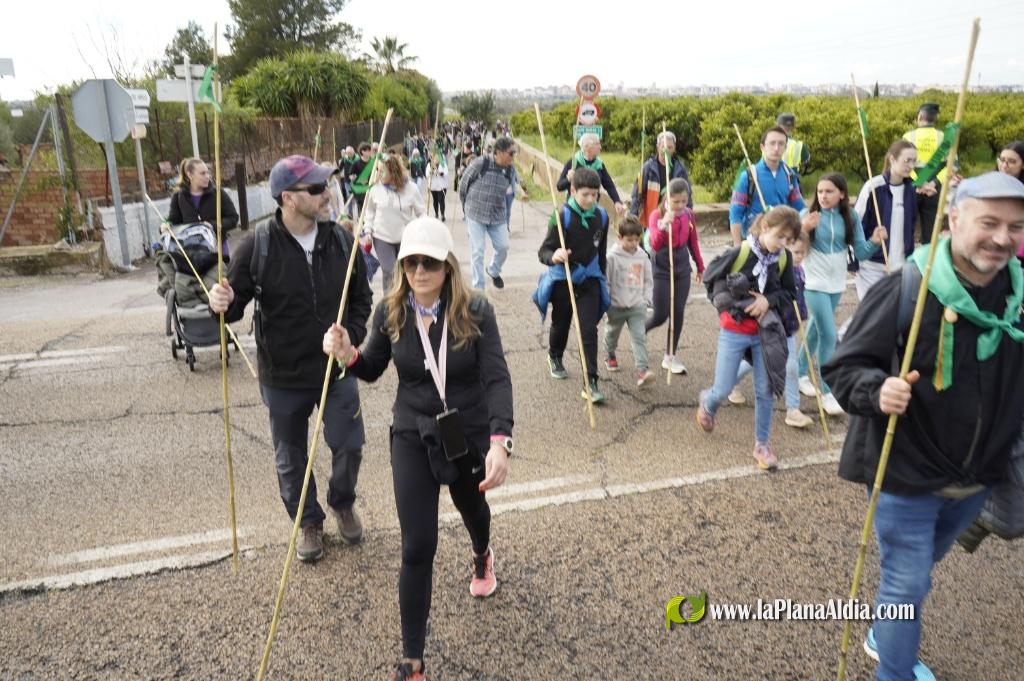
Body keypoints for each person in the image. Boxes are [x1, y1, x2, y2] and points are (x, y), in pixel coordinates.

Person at [822, 172, 1024, 681]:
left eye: (1016, 227)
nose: (1003, 238)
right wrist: (877, 390)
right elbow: (843, 368)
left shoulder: (1019, 297)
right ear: (954, 219)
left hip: (979, 479)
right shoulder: (907, 285)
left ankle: (883, 628)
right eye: (990, 222)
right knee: (907, 585)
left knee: (914, 572)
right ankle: (893, 668)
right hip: (906, 476)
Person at [322, 217, 513, 681]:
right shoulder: (390, 312)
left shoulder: (477, 310)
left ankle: (482, 552)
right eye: (411, 262)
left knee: (474, 511)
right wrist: (347, 354)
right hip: (412, 430)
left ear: (447, 267)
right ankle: (412, 659)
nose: (419, 271)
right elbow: (369, 368)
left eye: (429, 262)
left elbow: (496, 378)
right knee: (417, 545)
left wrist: (500, 441)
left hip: (466, 430)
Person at [207, 155, 373, 562]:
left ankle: (342, 500)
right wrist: (219, 302)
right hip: (282, 375)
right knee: (291, 458)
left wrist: (352, 336)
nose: (327, 193)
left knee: (349, 445)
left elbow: (361, 299)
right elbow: (233, 305)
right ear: (289, 199)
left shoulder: (341, 241)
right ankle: (309, 522)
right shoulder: (257, 246)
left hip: (335, 369)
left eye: (326, 185)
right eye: (316, 189)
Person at [697, 207, 800, 471]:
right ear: (764, 227)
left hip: (765, 334)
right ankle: (708, 404)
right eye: (780, 237)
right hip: (734, 331)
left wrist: (768, 300)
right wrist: (726, 307)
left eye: (789, 240)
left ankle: (762, 445)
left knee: (764, 392)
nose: (783, 244)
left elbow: (790, 293)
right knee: (722, 389)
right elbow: (711, 278)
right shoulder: (740, 252)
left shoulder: (783, 259)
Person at [798, 173, 886, 416]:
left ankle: (799, 371)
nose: (823, 196)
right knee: (828, 334)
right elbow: (793, 247)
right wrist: (803, 229)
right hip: (813, 282)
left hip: (836, 283)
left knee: (816, 329)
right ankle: (828, 392)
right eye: (820, 191)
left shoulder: (851, 217)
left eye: (829, 191)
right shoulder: (809, 217)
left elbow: (861, 252)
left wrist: (875, 241)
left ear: (842, 194)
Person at [534, 166, 610, 402]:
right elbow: (543, 251)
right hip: (564, 278)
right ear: (573, 190)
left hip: (590, 280)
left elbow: (602, 252)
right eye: (585, 194)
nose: (590, 199)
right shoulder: (562, 216)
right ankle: (555, 355)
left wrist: (603, 278)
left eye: (595, 195)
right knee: (562, 323)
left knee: (588, 330)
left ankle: (592, 382)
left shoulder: (602, 216)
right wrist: (554, 255)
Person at [729, 231, 814, 430]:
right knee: (754, 363)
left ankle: (793, 410)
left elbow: (798, 297)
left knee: (791, 366)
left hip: (790, 329)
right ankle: (730, 381)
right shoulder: (774, 270)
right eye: (795, 252)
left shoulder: (800, 271)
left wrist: (801, 315)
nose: (798, 257)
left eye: (802, 253)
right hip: (772, 329)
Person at [646, 178, 704, 375]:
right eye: (676, 201)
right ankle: (640, 334)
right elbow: (654, 243)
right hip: (662, 266)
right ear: (667, 199)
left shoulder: (689, 215)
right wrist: (663, 225)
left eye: (684, 201)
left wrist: (700, 265)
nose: (680, 206)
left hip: (681, 266)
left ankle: (669, 357)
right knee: (660, 314)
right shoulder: (656, 215)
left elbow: (693, 241)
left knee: (678, 312)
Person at [854, 140, 919, 299]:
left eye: (914, 161)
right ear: (892, 159)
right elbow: (855, 225)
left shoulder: (912, 189)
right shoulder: (873, 187)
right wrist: (852, 260)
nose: (910, 166)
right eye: (906, 160)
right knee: (871, 314)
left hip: (900, 266)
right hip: (871, 266)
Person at [729, 126, 806, 246]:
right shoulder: (749, 176)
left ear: (785, 148)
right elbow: (735, 213)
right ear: (762, 147)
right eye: (772, 143)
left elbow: (799, 208)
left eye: (781, 144)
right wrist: (737, 246)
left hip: (781, 242)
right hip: (753, 243)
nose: (776, 148)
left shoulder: (790, 175)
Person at [459, 137, 518, 290]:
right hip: (475, 213)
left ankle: (493, 270)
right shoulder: (481, 163)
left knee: (503, 247)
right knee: (478, 250)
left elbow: (513, 191)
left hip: (497, 215)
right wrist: (465, 206)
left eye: (514, 153)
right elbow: (464, 183)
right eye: (511, 153)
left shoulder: (510, 169)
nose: (513, 157)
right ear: (498, 152)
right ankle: (479, 287)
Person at [604, 216, 655, 387]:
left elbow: (648, 279)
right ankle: (610, 352)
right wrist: (607, 301)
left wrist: (646, 299)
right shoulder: (611, 257)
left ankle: (642, 370)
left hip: (636, 306)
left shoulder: (642, 256)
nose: (633, 243)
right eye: (629, 240)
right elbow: (607, 281)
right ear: (620, 238)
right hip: (616, 306)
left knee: (639, 336)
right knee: (612, 333)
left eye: (636, 239)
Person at [363, 154, 426, 292]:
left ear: (393, 171)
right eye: (377, 170)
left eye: (382, 171)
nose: (379, 174)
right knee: (390, 271)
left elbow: (421, 212)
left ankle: (405, 300)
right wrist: (368, 231)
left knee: (405, 272)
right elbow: (369, 213)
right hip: (382, 237)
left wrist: (424, 229)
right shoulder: (374, 189)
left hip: (405, 238)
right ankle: (390, 305)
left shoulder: (411, 189)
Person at [167, 157, 239, 253]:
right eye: (202, 173)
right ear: (189, 175)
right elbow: (173, 220)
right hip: (192, 251)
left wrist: (212, 225)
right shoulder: (178, 196)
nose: (207, 176)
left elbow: (233, 218)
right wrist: (165, 225)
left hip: (218, 249)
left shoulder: (217, 193)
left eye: (207, 172)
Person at [903, 102, 949, 245]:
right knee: (931, 232)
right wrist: (933, 183)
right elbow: (952, 166)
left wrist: (920, 183)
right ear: (935, 119)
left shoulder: (908, 136)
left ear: (920, 116)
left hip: (912, 186)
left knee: (906, 227)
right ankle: (927, 264)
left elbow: (903, 163)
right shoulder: (945, 137)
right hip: (934, 189)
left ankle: (907, 260)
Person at [631, 130, 693, 228]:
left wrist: (689, 216)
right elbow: (636, 194)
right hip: (652, 217)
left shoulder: (680, 169)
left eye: (670, 147)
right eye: (663, 147)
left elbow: (688, 195)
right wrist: (633, 216)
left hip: (674, 217)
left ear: (674, 148)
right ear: (657, 147)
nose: (666, 150)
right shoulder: (648, 167)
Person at [556, 132, 626, 217]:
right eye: (597, 144)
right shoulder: (573, 163)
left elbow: (609, 185)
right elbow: (559, 186)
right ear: (587, 147)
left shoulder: (599, 164)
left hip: (592, 208)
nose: (600, 147)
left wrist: (617, 201)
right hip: (574, 209)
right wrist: (568, 179)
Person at [349, 142, 375, 219]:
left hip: (372, 188)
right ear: (363, 152)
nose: (371, 152)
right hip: (361, 190)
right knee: (364, 210)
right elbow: (351, 176)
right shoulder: (356, 163)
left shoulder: (373, 162)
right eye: (369, 150)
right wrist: (359, 180)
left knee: (372, 208)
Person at [426, 152, 449, 222]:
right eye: (434, 158)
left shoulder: (443, 164)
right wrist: (431, 172)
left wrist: (438, 172)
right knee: (435, 200)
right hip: (433, 186)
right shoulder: (429, 165)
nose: (436, 160)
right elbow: (427, 174)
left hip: (441, 186)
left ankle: (442, 214)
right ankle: (436, 213)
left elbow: (445, 173)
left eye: (437, 158)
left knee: (441, 200)